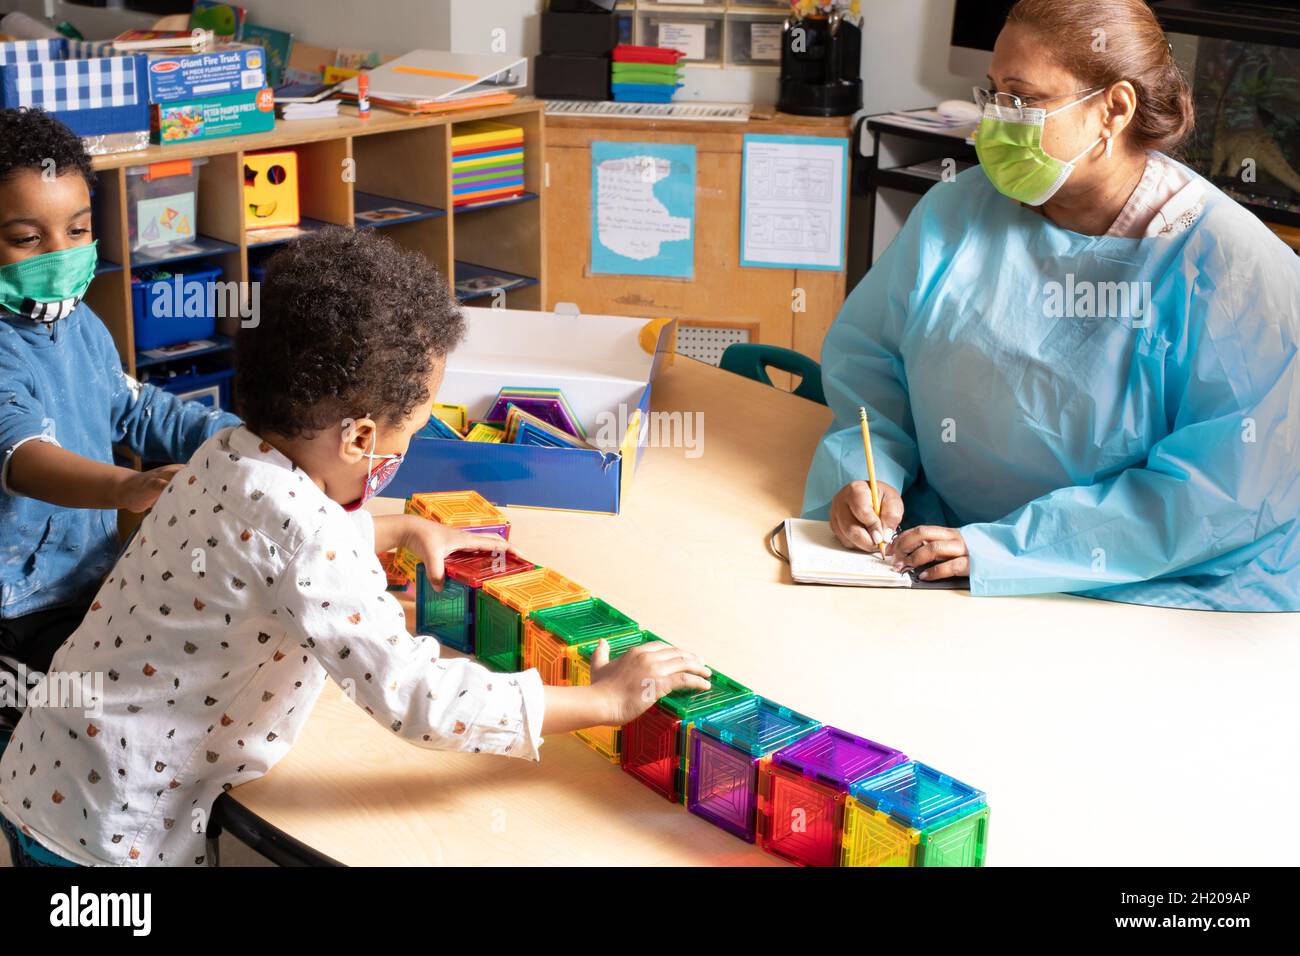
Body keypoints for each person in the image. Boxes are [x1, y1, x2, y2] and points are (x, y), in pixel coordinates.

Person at [0, 227, 711, 866]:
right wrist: (603, 701)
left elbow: (260, 543)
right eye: (416, 425)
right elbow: (420, 699)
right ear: (362, 438)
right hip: (110, 835)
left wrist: (392, 529)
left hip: (49, 774)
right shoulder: (308, 537)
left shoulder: (225, 452)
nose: (411, 443)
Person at [805, 0, 1300, 612]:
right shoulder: (956, 212)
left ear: (1112, 110)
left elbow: (1220, 493)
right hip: (940, 548)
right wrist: (866, 472)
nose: (994, 121)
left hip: (1152, 585)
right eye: (992, 94)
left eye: (1022, 99)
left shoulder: (1230, 268)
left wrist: (1008, 551)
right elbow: (871, 365)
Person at [0, 108, 237, 743]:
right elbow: (22, 456)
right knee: (51, 747)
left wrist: (238, 437)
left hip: (92, 581)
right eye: (27, 239)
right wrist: (121, 489)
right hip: (17, 609)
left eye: (77, 230)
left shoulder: (80, 324)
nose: (61, 253)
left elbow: (138, 408)